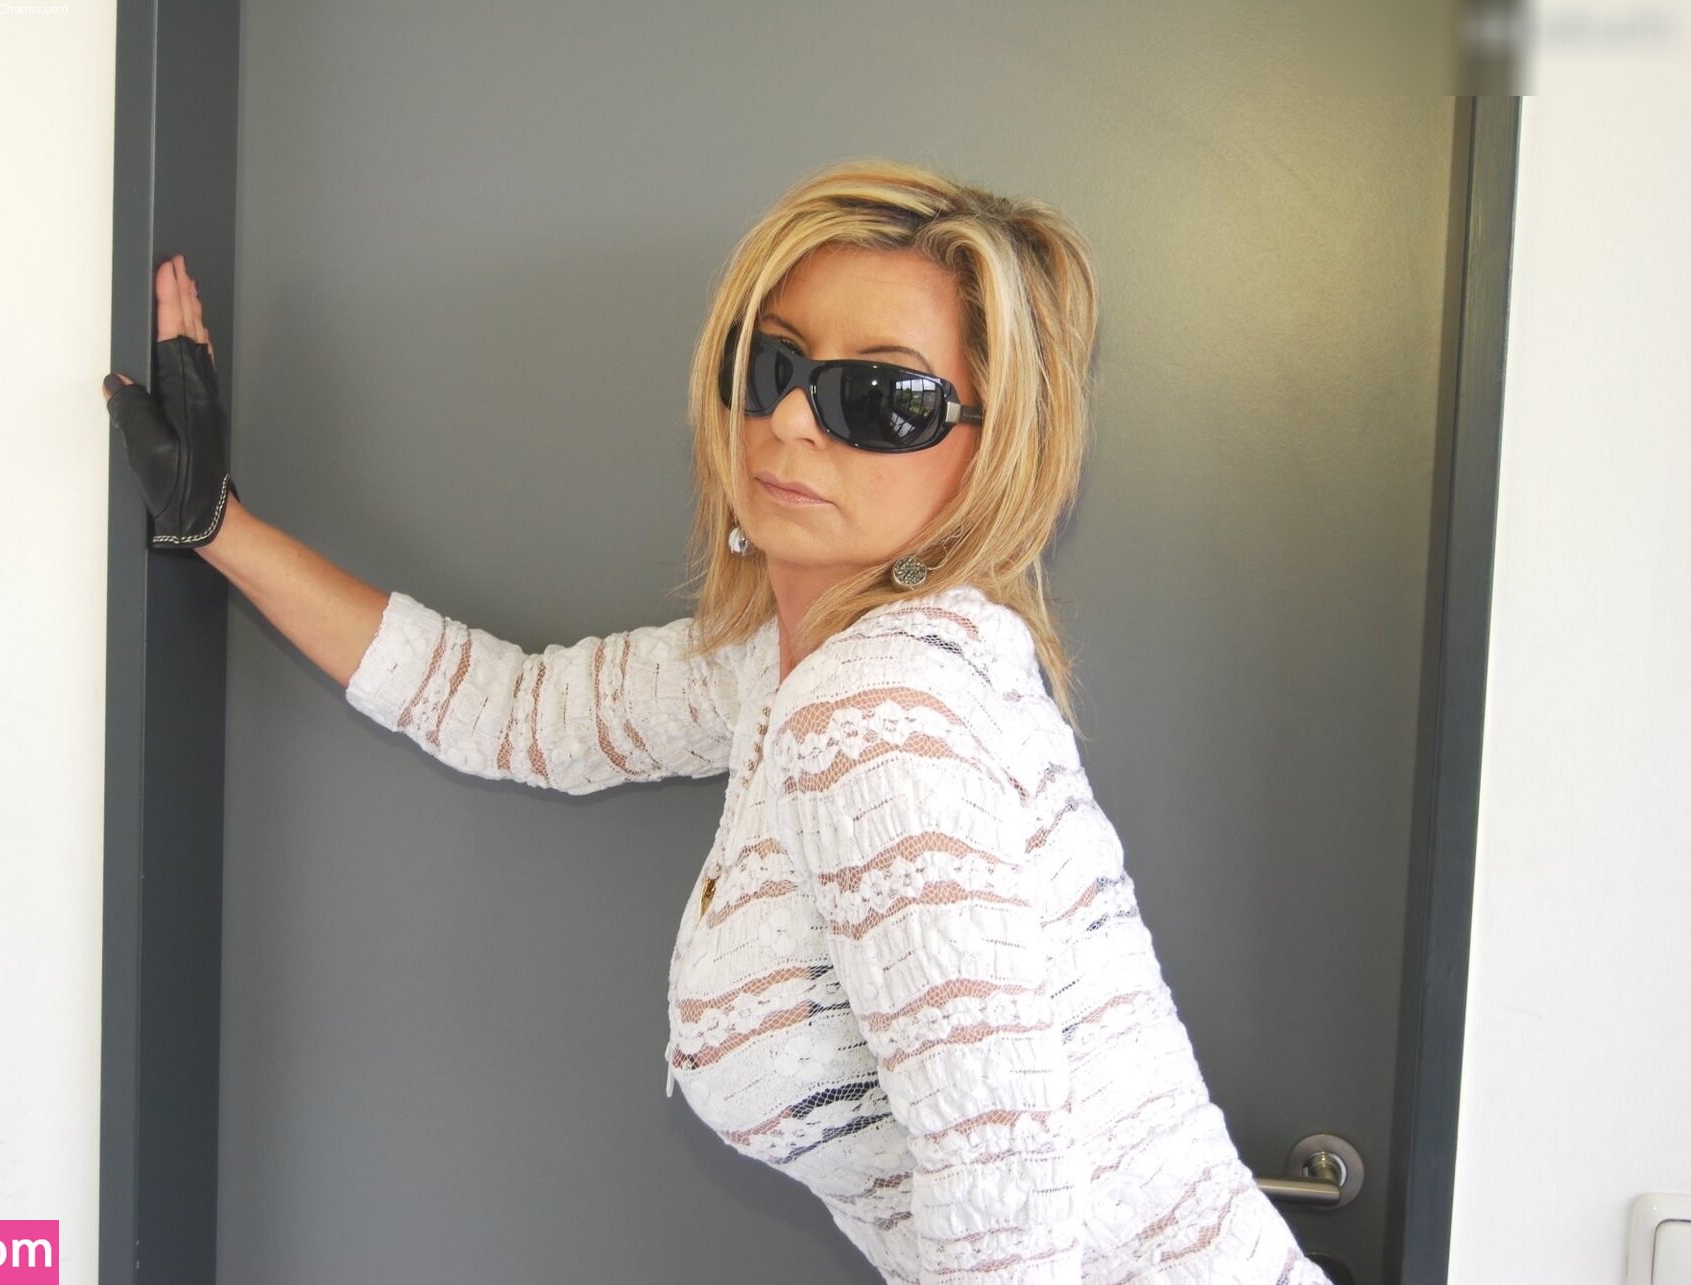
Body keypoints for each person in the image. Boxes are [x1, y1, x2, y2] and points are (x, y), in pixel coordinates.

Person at [102, 158, 1330, 1284]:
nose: (792, 423)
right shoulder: (792, 671)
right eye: (775, 368)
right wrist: (217, 524)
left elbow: (1007, 1208)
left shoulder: (880, 707)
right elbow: (510, 709)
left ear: (987, 448)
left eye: (882, 399)